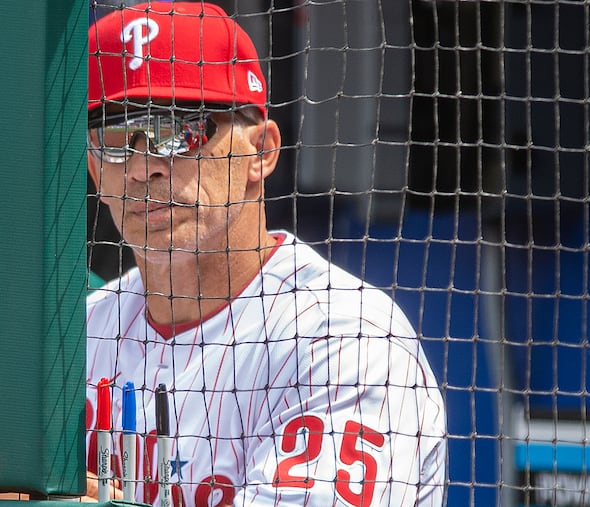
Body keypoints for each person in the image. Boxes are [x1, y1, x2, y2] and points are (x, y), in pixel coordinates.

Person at [84, 2, 446, 506]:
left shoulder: (345, 337)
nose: (146, 168)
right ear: (97, 172)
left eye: (179, 131)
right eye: (119, 138)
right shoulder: (77, 337)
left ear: (261, 152)